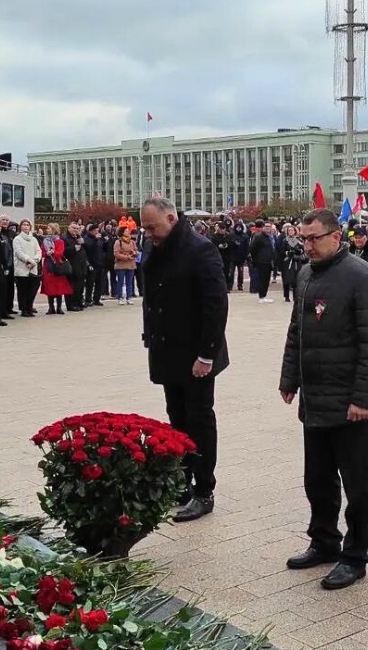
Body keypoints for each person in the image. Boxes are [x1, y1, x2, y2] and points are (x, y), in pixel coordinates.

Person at [279, 208, 368, 590]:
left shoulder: (363, 277)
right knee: (317, 480)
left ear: (336, 237)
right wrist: (289, 378)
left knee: (358, 486)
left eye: (314, 238)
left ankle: (355, 556)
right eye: (303, 238)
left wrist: (363, 398)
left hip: (350, 406)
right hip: (315, 400)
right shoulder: (305, 274)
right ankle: (324, 540)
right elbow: (296, 332)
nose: (307, 245)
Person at [141, 199, 229, 523]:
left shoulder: (200, 249)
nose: (148, 233)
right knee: (176, 417)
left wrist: (207, 355)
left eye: (152, 227)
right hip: (167, 350)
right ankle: (181, 482)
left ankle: (204, 490)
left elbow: (216, 305)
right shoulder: (155, 247)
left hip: (196, 355)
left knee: (199, 420)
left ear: (171, 218)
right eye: (144, 228)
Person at [41, 224, 72, 314]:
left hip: (58, 266)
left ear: (54, 230)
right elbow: (41, 252)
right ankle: (51, 307)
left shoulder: (60, 241)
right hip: (48, 266)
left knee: (59, 287)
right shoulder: (45, 241)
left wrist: (53, 252)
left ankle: (59, 307)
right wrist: (46, 253)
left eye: (49, 228)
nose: (47, 230)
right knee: (49, 287)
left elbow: (60, 252)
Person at [13, 220, 42, 317]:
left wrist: (35, 260)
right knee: (22, 290)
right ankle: (23, 309)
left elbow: (38, 251)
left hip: (33, 268)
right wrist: (29, 260)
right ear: (20, 227)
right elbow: (19, 253)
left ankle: (29, 307)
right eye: (24, 225)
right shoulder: (17, 239)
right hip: (22, 268)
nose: (26, 226)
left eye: (27, 225)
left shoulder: (34, 239)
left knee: (32, 290)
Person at [249, 220, 276, 303]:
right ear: (263, 227)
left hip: (269, 261)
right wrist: (255, 259)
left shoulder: (270, 237)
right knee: (262, 279)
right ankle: (261, 296)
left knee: (267, 279)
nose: (268, 228)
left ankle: (264, 295)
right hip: (261, 261)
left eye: (269, 226)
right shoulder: (258, 236)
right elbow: (252, 248)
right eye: (266, 226)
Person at [279, 225, 307, 303]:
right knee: (287, 279)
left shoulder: (299, 240)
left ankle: (295, 296)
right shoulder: (285, 240)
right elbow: (282, 251)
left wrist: (299, 252)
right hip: (288, 261)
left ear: (295, 231)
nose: (291, 232)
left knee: (296, 279)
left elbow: (303, 249)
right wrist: (288, 253)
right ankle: (286, 296)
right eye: (289, 230)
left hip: (297, 261)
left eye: (292, 230)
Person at [113, 227, 138, 305]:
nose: (128, 232)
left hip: (131, 264)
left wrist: (135, 253)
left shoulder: (132, 242)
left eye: (128, 231)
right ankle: (120, 298)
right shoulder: (118, 242)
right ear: (122, 232)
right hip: (121, 265)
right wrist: (126, 257)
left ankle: (129, 297)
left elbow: (136, 250)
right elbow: (116, 254)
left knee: (129, 282)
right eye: (126, 231)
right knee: (120, 282)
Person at [83, 223, 106, 307]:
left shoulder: (99, 239)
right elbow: (89, 248)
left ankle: (97, 299)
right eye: (96, 231)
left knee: (99, 283)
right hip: (92, 263)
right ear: (91, 231)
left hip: (100, 263)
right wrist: (95, 239)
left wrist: (105, 242)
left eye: (98, 230)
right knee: (90, 283)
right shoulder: (87, 238)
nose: (97, 232)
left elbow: (103, 249)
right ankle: (88, 299)